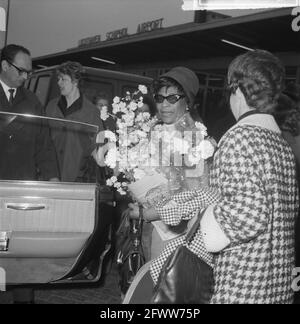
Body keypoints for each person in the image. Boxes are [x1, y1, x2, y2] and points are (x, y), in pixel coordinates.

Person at [150, 50, 299, 304]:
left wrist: (204, 216)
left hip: (244, 281)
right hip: (277, 281)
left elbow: (246, 214)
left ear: (238, 90)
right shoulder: (280, 143)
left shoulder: (239, 137)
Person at [128, 66, 210, 261]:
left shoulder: (192, 139)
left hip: (173, 233)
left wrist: (145, 213)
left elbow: (193, 196)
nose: (164, 105)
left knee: (163, 286)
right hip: (149, 224)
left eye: (172, 98)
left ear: (187, 102)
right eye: (159, 98)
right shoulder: (153, 131)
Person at [0, 44, 59, 181]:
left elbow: (44, 144)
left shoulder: (32, 102)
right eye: (21, 71)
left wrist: (53, 177)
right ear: (5, 65)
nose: (25, 77)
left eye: (28, 72)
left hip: (22, 183)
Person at [45, 61, 104, 182]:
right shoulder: (51, 106)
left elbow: (97, 146)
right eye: (58, 79)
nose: (59, 82)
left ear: (75, 81)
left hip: (77, 178)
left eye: (63, 79)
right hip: (50, 175)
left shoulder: (91, 112)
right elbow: (42, 140)